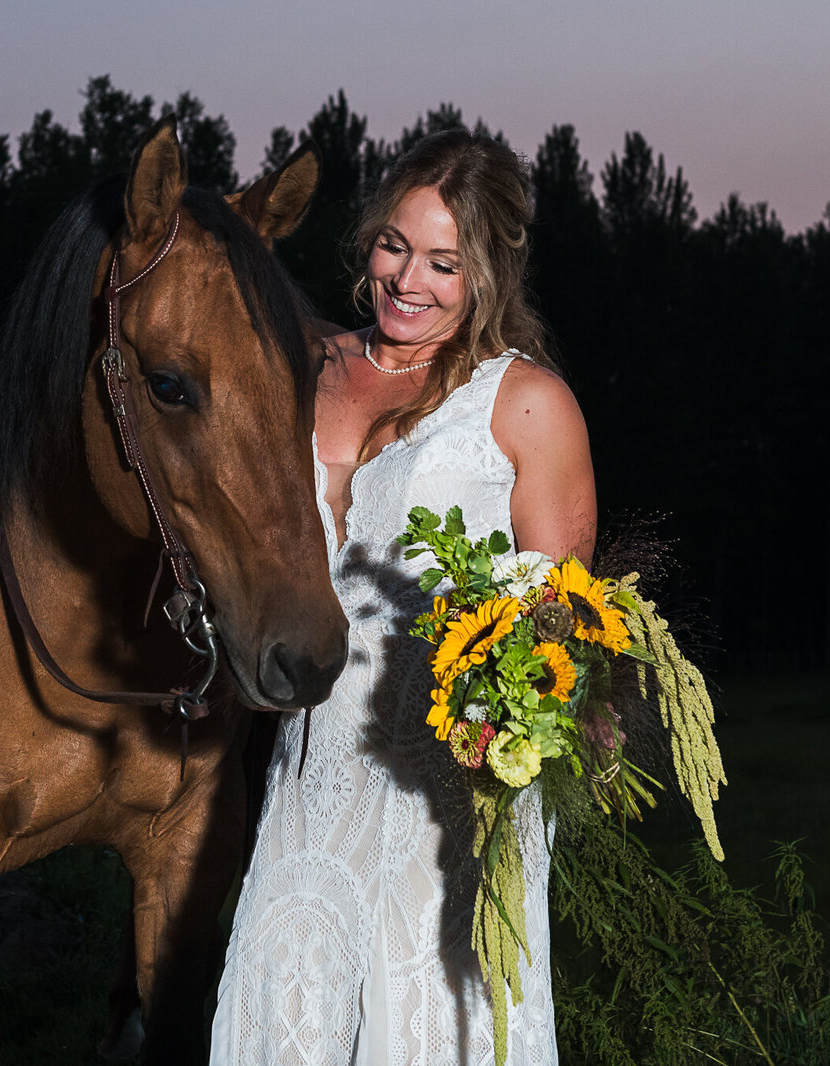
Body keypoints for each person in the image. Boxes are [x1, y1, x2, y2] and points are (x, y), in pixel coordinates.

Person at [210, 129, 593, 1065]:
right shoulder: (299, 370)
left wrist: (512, 721)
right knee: (283, 1020)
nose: (407, 279)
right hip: (309, 777)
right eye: (393, 245)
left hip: (443, 798)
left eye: (442, 261)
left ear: (488, 272)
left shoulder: (527, 405)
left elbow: (570, 626)